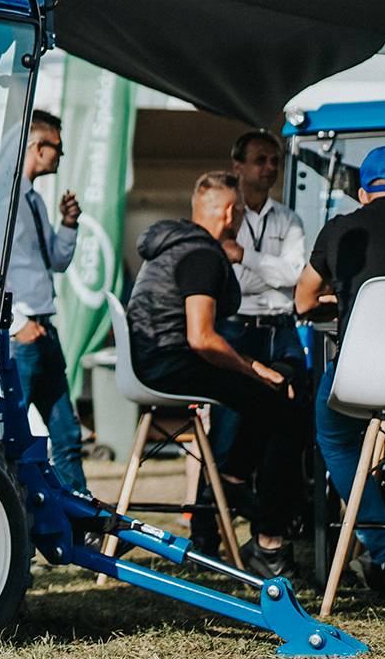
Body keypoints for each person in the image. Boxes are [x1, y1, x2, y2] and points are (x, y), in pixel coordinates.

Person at [126, 171, 311, 578]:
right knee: (290, 412)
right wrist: (253, 366)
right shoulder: (202, 255)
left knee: (265, 400)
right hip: (172, 365)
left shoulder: (173, 245)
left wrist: (254, 374)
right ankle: (268, 536)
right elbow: (203, 339)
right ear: (231, 213)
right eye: (242, 211)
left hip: (156, 361)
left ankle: (232, 481)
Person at [294, 146, 385, 596]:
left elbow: (303, 301)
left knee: (333, 432)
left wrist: (345, 298)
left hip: (360, 376)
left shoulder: (340, 229)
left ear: (364, 192)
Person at [194, 130, 311, 549]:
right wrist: (270, 268)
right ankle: (206, 534)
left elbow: (297, 276)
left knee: (291, 418)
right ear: (237, 166)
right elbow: (228, 281)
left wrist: (246, 257)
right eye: (261, 159)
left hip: (281, 330)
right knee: (227, 430)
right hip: (237, 328)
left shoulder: (289, 218)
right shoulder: (224, 214)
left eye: (275, 160)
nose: (271, 168)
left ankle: (272, 526)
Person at [5, 110, 89, 496]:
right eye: (57, 148)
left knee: (67, 434)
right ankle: (14, 517)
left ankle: (80, 524)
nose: (61, 155)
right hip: (21, 333)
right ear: (38, 147)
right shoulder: (1, 199)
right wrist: (17, 321)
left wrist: (68, 225)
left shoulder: (34, 200)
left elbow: (54, 260)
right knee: (9, 436)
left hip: (43, 328)